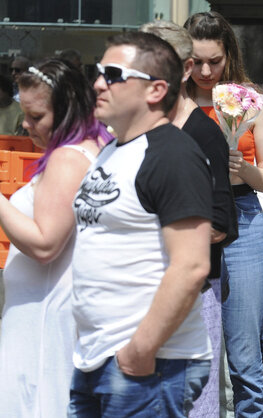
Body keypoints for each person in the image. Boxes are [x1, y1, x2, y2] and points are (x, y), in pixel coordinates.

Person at [69, 31, 213, 416]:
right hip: (96, 358)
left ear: (156, 90)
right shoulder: (112, 151)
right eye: (98, 72)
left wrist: (140, 350)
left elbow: (192, 265)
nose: (98, 83)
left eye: (114, 74)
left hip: (149, 364)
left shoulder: (172, 155)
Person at [184, 11, 263, 417]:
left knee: (244, 352)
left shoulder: (251, 102)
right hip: (188, 221)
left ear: (230, 55)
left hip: (242, 215)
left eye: (215, 61)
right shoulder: (173, 101)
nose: (206, 71)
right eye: (196, 61)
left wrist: (244, 170)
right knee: (191, 348)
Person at [0, 59, 109, 417]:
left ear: (65, 111)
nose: (26, 124)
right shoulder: (95, 144)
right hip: (47, 309)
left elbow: (45, 243)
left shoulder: (67, 158)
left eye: (36, 116)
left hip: (43, 317)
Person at [139, 20, 236, 418]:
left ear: (184, 69)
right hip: (137, 287)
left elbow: (220, 222)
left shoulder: (203, 134)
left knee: (191, 404)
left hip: (193, 292)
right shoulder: (129, 131)